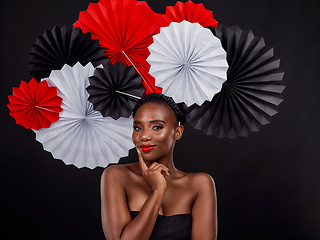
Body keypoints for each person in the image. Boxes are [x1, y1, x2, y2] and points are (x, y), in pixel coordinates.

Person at [100, 93, 217, 240]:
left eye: (156, 127)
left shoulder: (200, 184)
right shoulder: (116, 176)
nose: (144, 136)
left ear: (178, 132)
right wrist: (158, 191)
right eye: (137, 128)